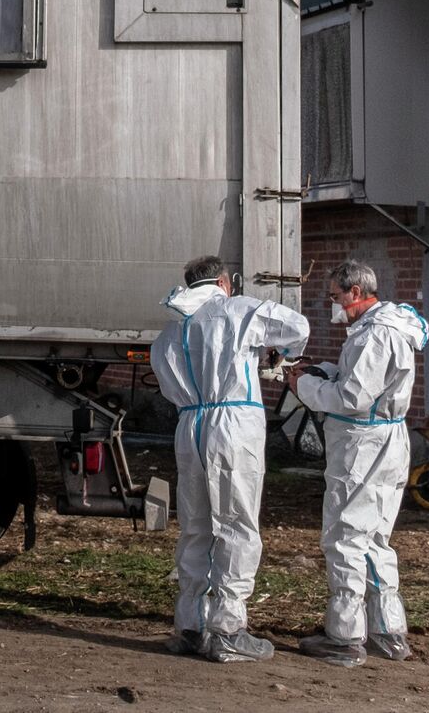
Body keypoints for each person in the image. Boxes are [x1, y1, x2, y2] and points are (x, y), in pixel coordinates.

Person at [151, 254, 310, 663]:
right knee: (236, 524)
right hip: (233, 421)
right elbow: (297, 326)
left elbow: (167, 382)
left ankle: (190, 624)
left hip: (190, 424)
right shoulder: (237, 309)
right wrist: (283, 354)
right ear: (224, 282)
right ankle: (228, 628)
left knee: (196, 524)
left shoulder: (171, 330)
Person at [287, 261, 429, 668]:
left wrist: (305, 385)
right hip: (387, 438)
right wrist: (325, 372)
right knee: (375, 537)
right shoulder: (389, 328)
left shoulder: (375, 335)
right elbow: (363, 383)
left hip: (363, 443)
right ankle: (388, 630)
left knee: (346, 534)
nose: (334, 305)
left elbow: (352, 397)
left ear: (354, 291)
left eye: (335, 296)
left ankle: (345, 635)